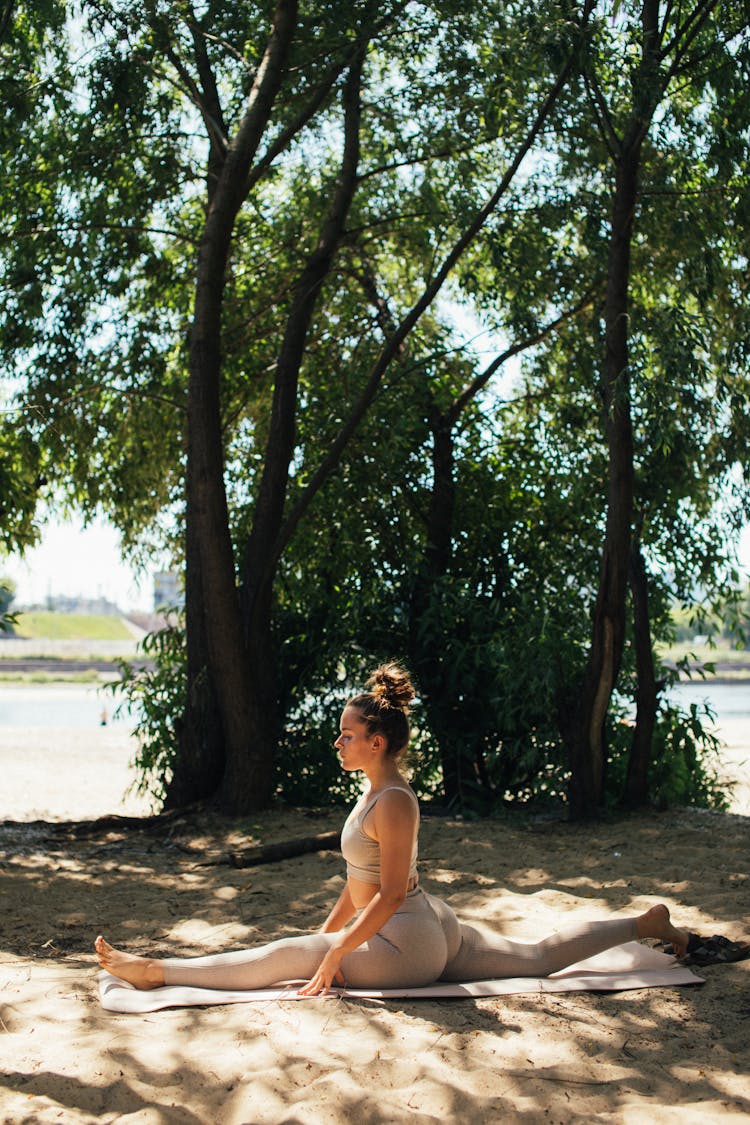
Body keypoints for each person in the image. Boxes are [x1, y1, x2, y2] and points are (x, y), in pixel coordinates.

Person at [95, 663, 689, 996]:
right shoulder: (374, 791)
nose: (338, 741)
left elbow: (389, 892)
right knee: (534, 957)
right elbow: (361, 878)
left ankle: (157, 971)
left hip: (407, 941)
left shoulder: (396, 801)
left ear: (376, 743)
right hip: (420, 927)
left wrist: (335, 953)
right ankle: (643, 922)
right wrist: (327, 934)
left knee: (281, 957)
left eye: (347, 735)